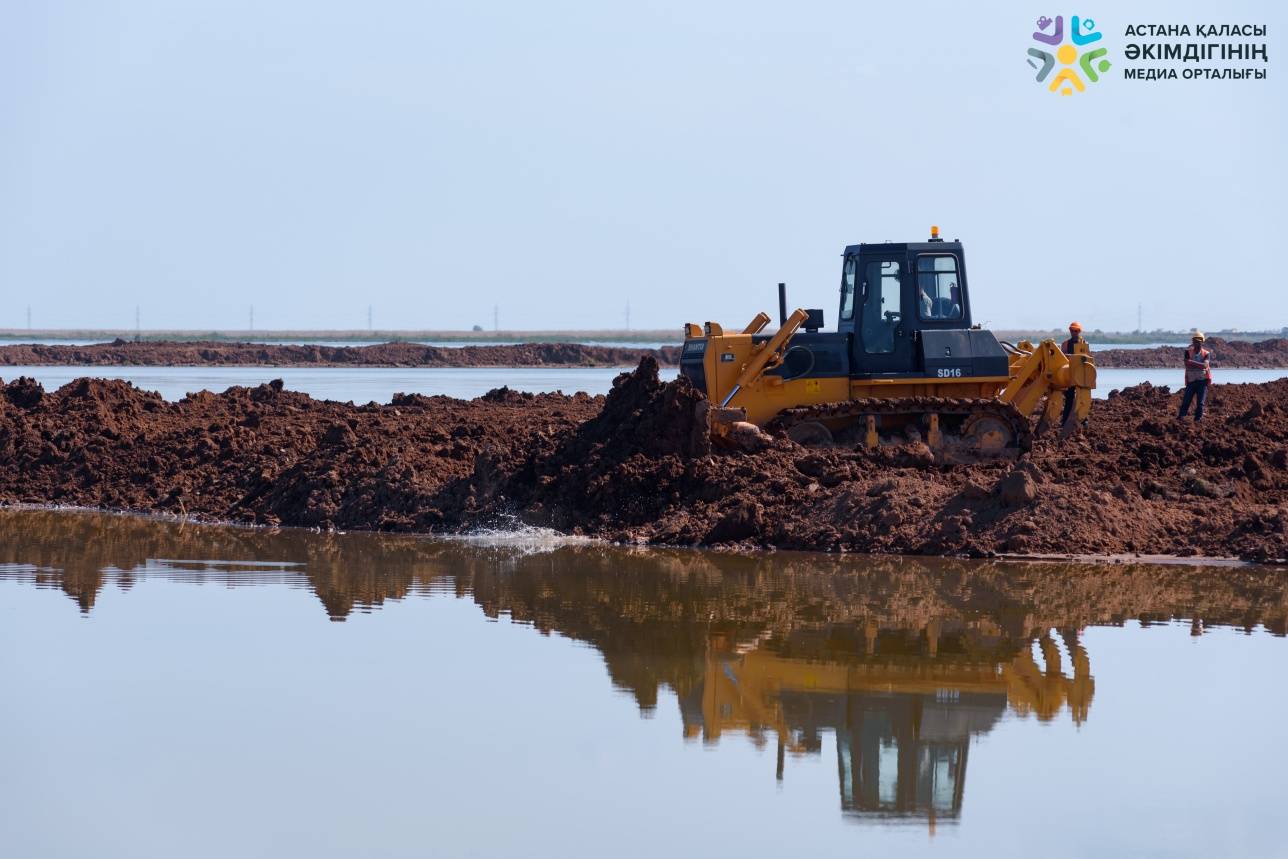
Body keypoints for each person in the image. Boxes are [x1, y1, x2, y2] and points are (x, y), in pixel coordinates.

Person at [1178, 329, 1212, 421]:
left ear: (1202, 342)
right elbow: (1186, 363)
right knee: (1186, 401)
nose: (1197, 343)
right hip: (1191, 381)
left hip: (1202, 381)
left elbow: (1205, 365)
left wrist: (1191, 362)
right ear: (1193, 342)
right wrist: (1200, 365)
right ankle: (1181, 418)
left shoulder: (1206, 353)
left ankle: (1198, 420)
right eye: (1195, 341)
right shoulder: (1187, 352)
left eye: (1199, 341)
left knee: (1200, 403)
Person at [1060, 321, 1088, 425]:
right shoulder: (1065, 344)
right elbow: (1062, 358)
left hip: (1081, 375)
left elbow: (1087, 358)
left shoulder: (1084, 343)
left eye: (1076, 330)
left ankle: (1083, 420)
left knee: (1082, 398)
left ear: (1079, 331)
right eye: (1072, 330)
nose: (1074, 332)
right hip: (1070, 375)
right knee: (1069, 398)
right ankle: (1065, 420)